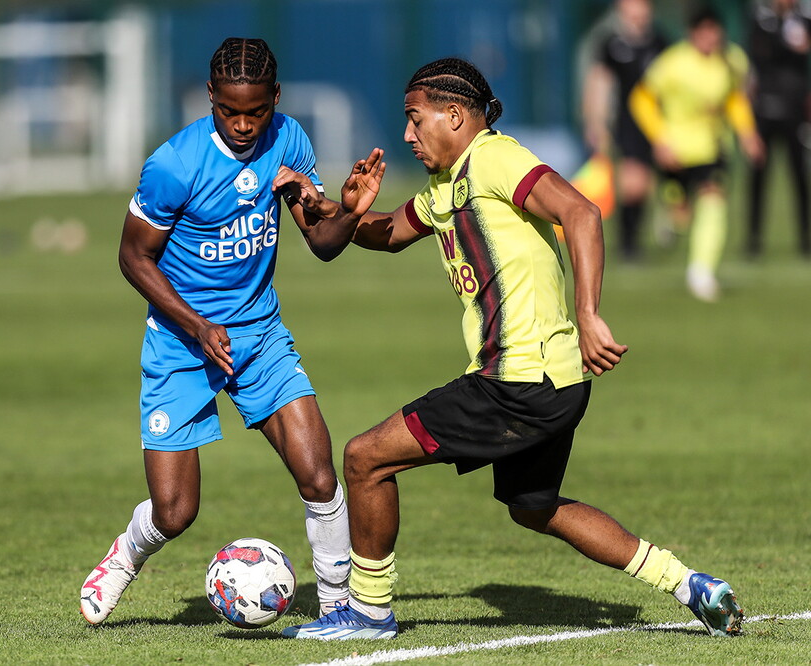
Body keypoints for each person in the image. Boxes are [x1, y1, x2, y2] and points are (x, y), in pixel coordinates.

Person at [277, 57, 744, 640]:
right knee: (533, 505)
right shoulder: (447, 182)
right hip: (555, 381)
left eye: (414, 120)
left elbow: (581, 212)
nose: (406, 135)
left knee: (366, 457)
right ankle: (689, 584)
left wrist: (590, 312)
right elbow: (390, 234)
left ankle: (368, 614)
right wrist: (341, 209)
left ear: (454, 115)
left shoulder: (495, 157)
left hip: (517, 380)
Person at [79, 37, 382, 625]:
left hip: (259, 334)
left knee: (319, 475)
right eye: (229, 111)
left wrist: (345, 211)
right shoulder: (173, 164)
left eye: (256, 111)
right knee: (175, 512)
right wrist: (196, 324)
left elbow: (321, 246)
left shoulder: (289, 139)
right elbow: (132, 258)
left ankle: (340, 610)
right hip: (179, 343)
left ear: (275, 99)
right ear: (210, 98)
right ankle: (124, 557)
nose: (243, 125)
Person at [629, 7, 765, 301]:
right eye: (704, 31)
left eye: (715, 30)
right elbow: (641, 99)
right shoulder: (673, 63)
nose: (710, 37)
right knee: (681, 216)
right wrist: (660, 139)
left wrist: (748, 133)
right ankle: (670, 216)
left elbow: (734, 99)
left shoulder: (732, 61)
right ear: (692, 33)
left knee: (714, 198)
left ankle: (701, 272)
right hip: (676, 150)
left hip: (712, 148)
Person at [582, 0, 668, 260]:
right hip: (628, 122)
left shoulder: (661, 43)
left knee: (654, 183)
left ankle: (665, 218)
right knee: (633, 182)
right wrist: (595, 122)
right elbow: (599, 83)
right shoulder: (611, 44)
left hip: (660, 122)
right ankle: (629, 243)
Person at [746, 0, 811, 259]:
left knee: (799, 175)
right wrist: (788, 43)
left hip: (795, 110)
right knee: (759, 175)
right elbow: (762, 52)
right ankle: (753, 238)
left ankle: (804, 237)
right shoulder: (761, 20)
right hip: (765, 108)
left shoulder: (803, 17)